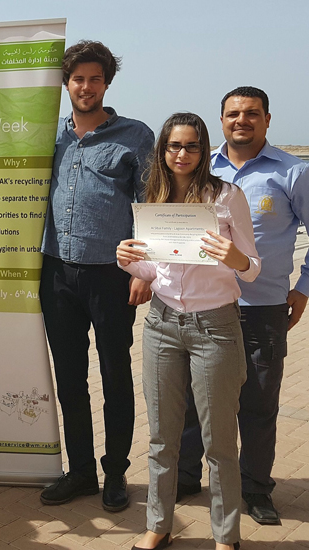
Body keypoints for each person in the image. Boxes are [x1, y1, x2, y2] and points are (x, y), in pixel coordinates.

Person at [118, 112, 260, 550]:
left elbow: (253, 269)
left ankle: (226, 536)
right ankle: (159, 525)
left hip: (214, 327)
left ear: (203, 150)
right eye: (174, 146)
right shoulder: (154, 197)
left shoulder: (226, 196)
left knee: (219, 443)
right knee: (161, 438)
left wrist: (234, 256)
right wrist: (127, 260)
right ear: (162, 150)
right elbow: (153, 268)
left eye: (192, 146)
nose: (182, 154)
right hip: (161, 325)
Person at [177, 87, 309, 525]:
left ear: (268, 120)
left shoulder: (292, 172)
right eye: (233, 113)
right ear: (221, 121)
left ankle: (256, 490)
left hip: (262, 307)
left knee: (257, 403)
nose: (242, 121)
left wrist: (304, 287)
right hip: (204, 307)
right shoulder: (198, 166)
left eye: (252, 114)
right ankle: (184, 478)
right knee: (197, 402)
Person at [39, 40, 155, 511]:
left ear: (106, 83)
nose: (85, 87)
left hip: (113, 275)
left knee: (114, 376)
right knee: (68, 377)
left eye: (94, 78)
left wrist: (145, 271)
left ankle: (115, 473)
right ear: (66, 84)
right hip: (57, 273)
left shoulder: (136, 135)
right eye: (77, 78)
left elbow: (150, 206)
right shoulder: (48, 136)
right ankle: (81, 471)